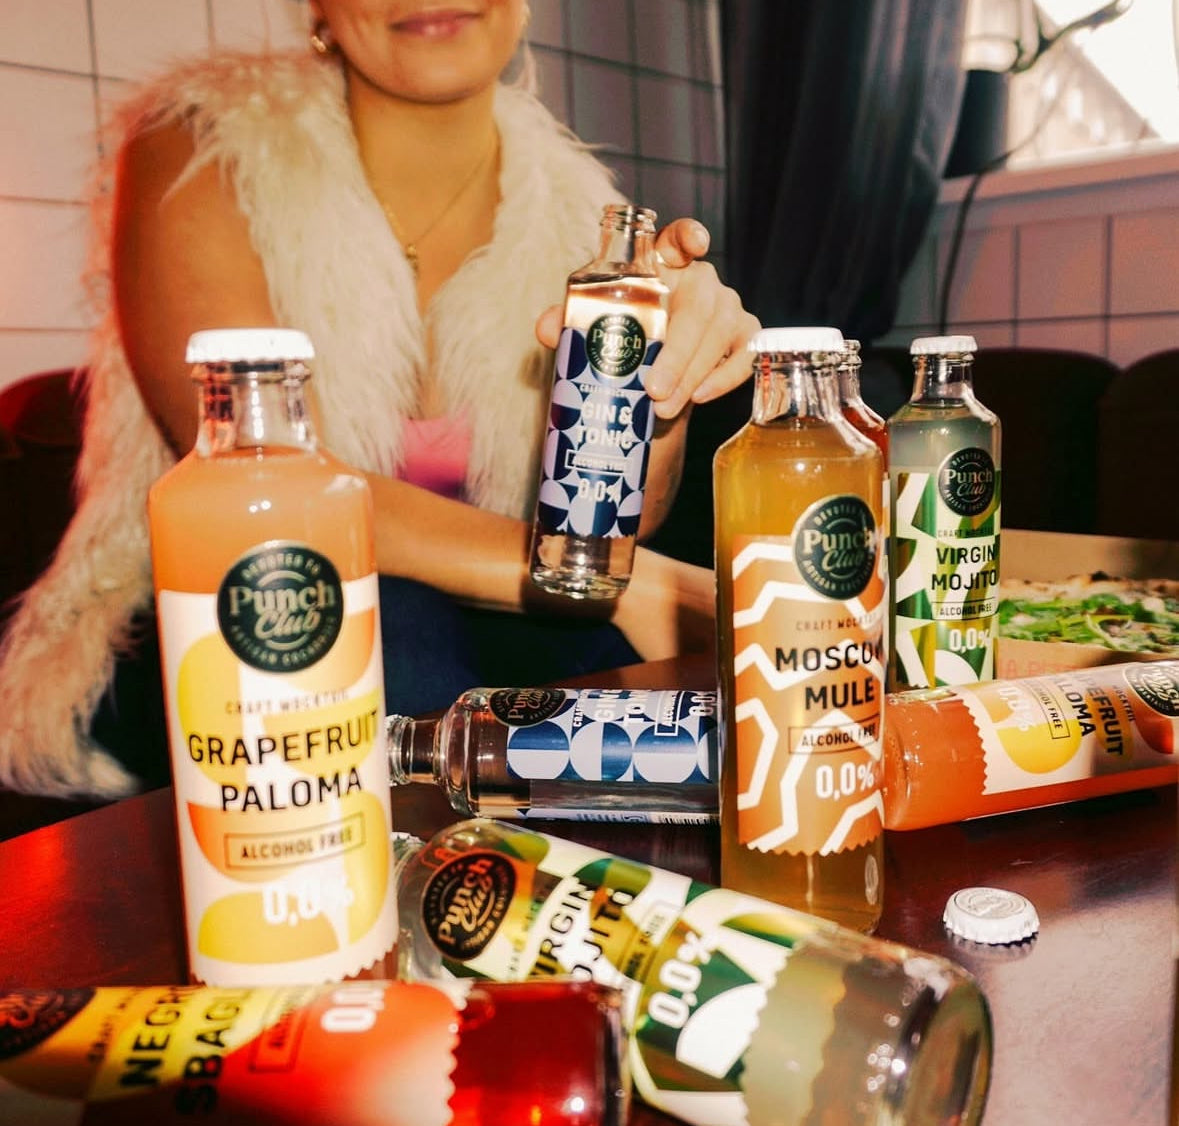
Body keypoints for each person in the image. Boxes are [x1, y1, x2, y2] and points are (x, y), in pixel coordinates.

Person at [0, 0, 759, 801]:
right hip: (249, 612)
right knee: (391, 631)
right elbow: (264, 480)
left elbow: (617, 528)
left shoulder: (579, 216)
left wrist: (662, 394)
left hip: (506, 631)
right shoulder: (205, 143)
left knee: (698, 697)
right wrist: (616, 582)